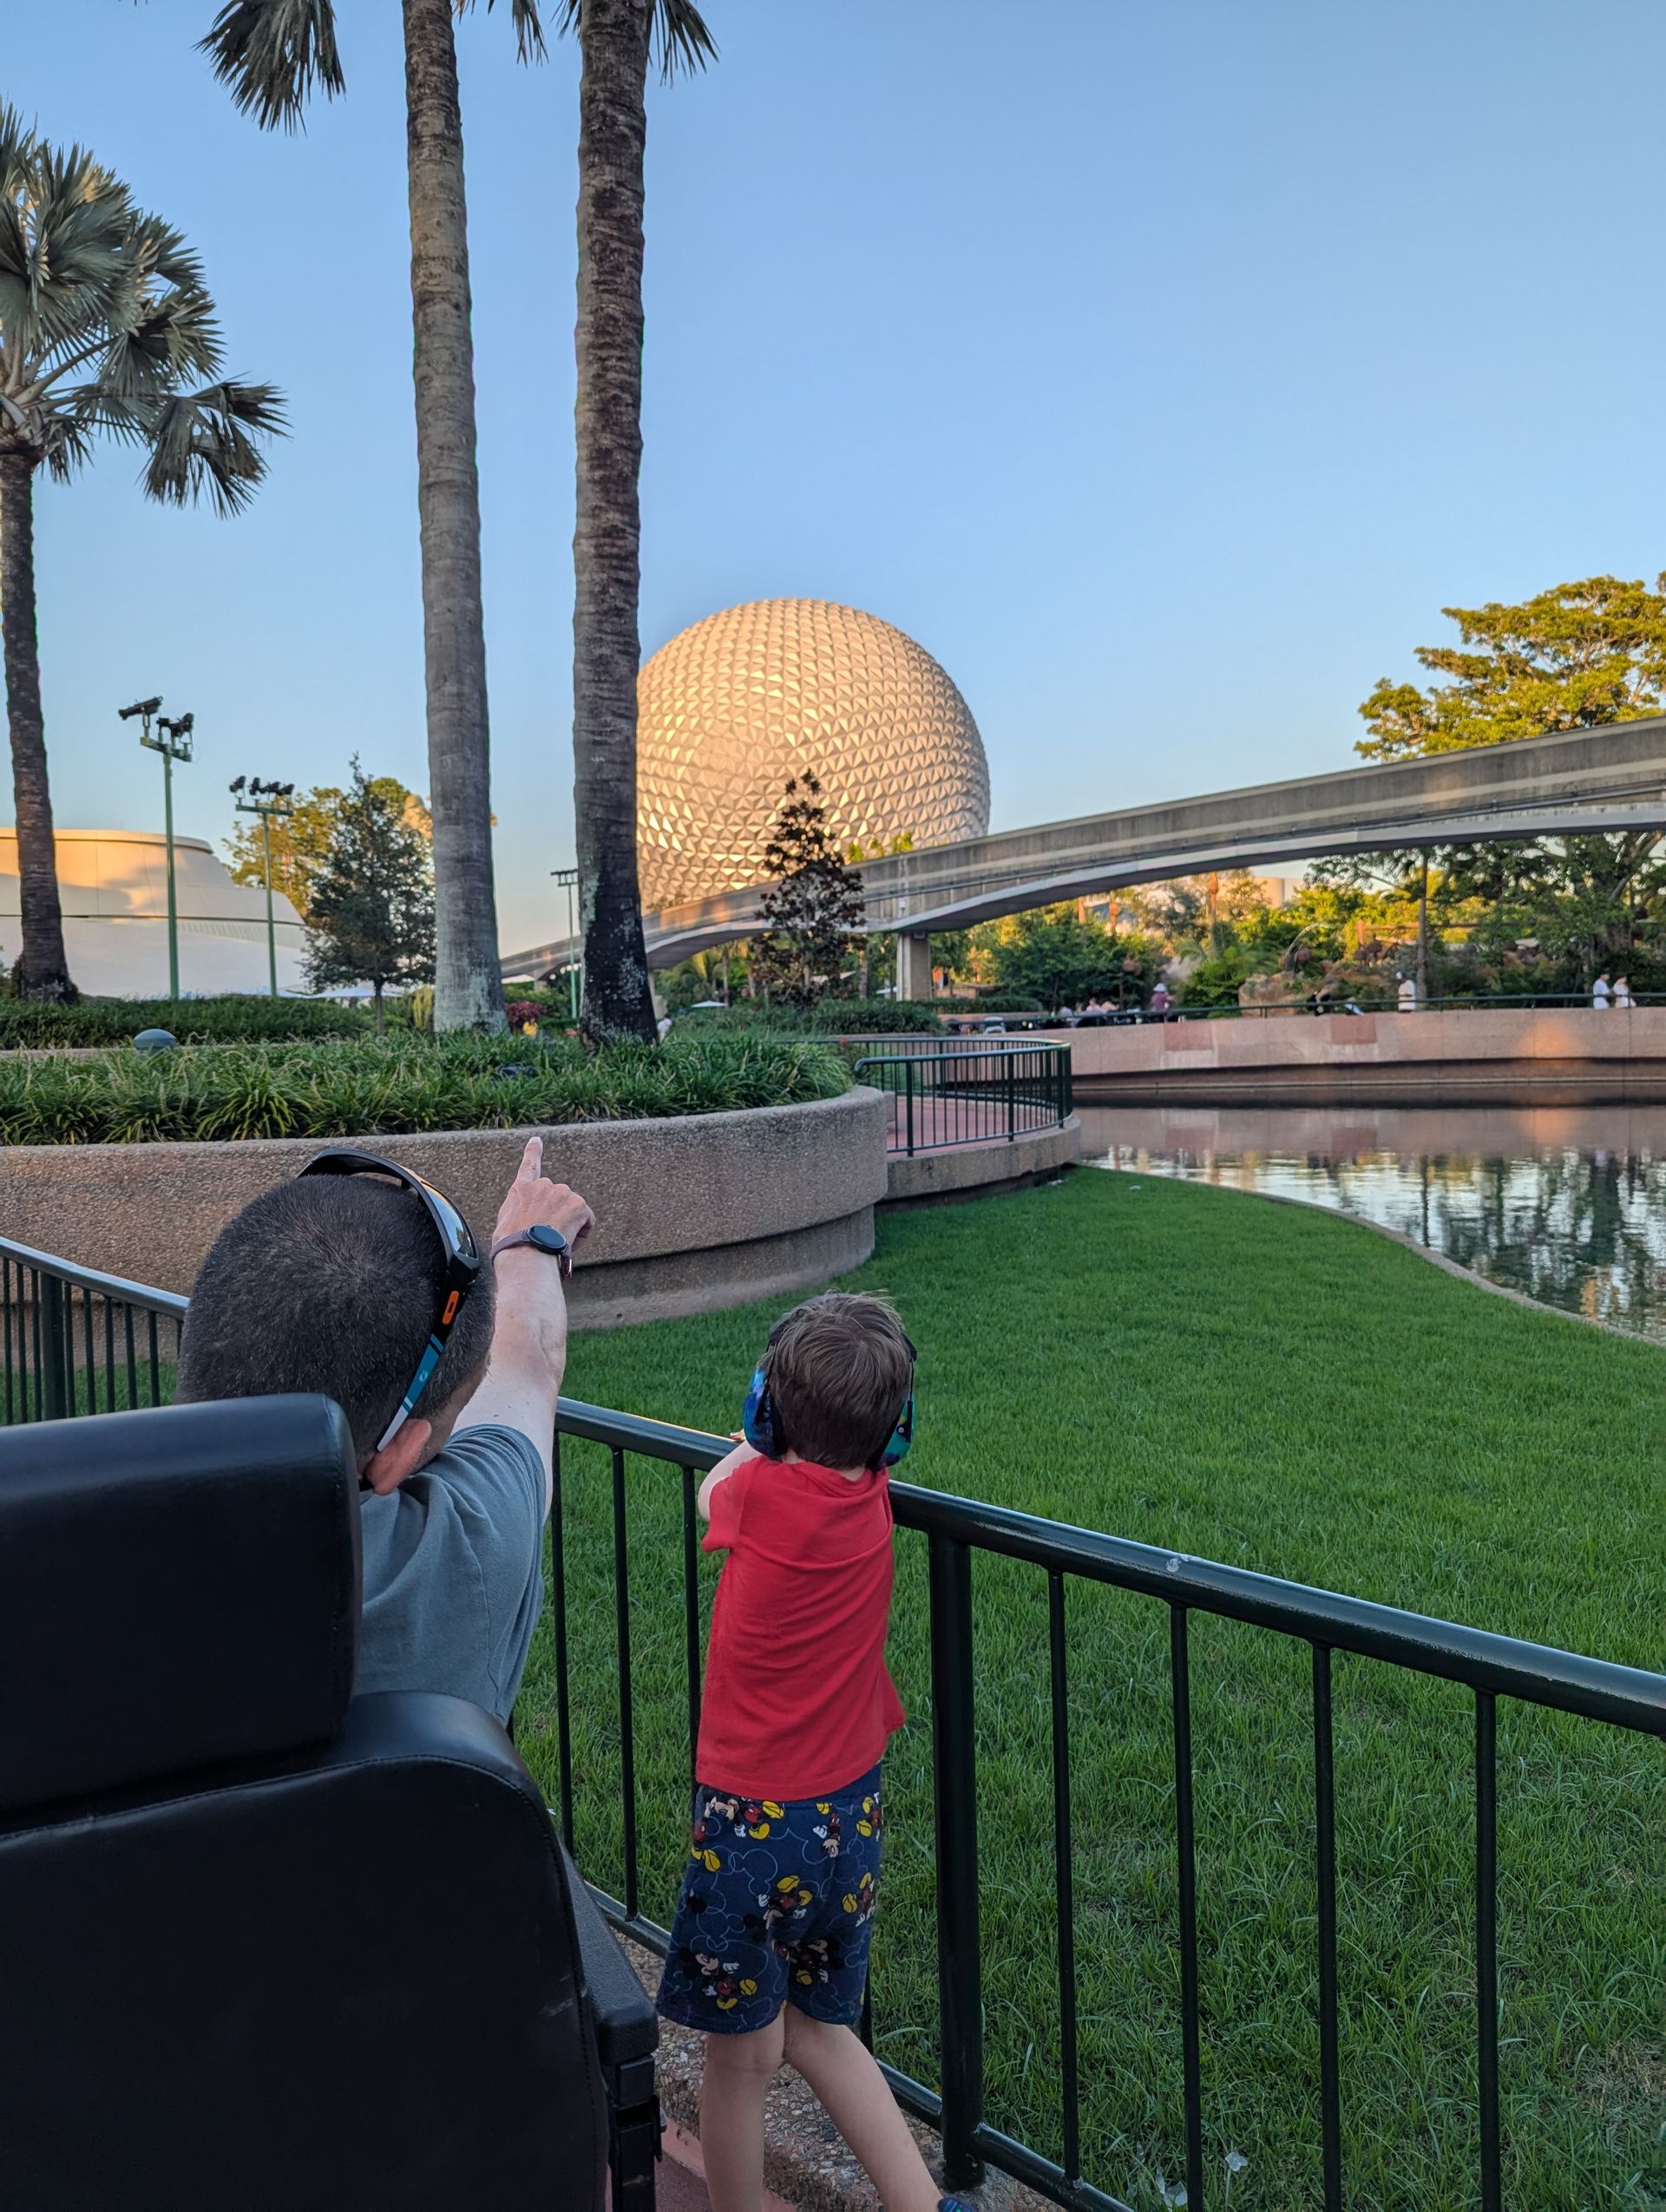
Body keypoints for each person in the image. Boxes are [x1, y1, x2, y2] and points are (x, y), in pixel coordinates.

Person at [654, 1294, 970, 2212]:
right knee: (824, 2030)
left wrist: (759, 1437)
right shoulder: (873, 1500)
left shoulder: (754, 1490)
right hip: (848, 1822)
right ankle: (926, 2203)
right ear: (894, 1437)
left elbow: (716, 1486)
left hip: (750, 1828)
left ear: (764, 1409)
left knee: (741, 2058)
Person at [176, 1136, 594, 1722]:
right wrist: (531, 1240)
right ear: (396, 1455)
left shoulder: (57, 1553)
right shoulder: (459, 1556)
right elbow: (528, 1367)